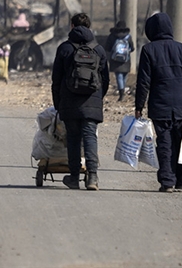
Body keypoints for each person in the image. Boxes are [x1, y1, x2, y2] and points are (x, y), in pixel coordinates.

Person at [134, 12, 182, 193]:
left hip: (160, 104)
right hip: (180, 104)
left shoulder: (148, 50)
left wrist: (139, 106)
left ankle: (167, 181)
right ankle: (181, 180)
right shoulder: (181, 49)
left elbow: (143, 82)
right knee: (181, 142)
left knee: (164, 143)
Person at [51, 12, 109, 190]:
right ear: (89, 27)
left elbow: (56, 79)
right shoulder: (98, 49)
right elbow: (105, 80)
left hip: (69, 101)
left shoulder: (64, 48)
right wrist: (98, 98)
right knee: (90, 137)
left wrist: (57, 104)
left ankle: (74, 177)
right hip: (92, 101)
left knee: (73, 138)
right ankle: (92, 177)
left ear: (72, 26)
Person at [104, 20, 135, 101]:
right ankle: (123, 90)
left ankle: (121, 93)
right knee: (124, 75)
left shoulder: (112, 36)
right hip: (126, 59)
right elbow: (132, 48)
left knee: (119, 75)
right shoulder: (128, 37)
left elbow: (107, 47)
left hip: (115, 59)